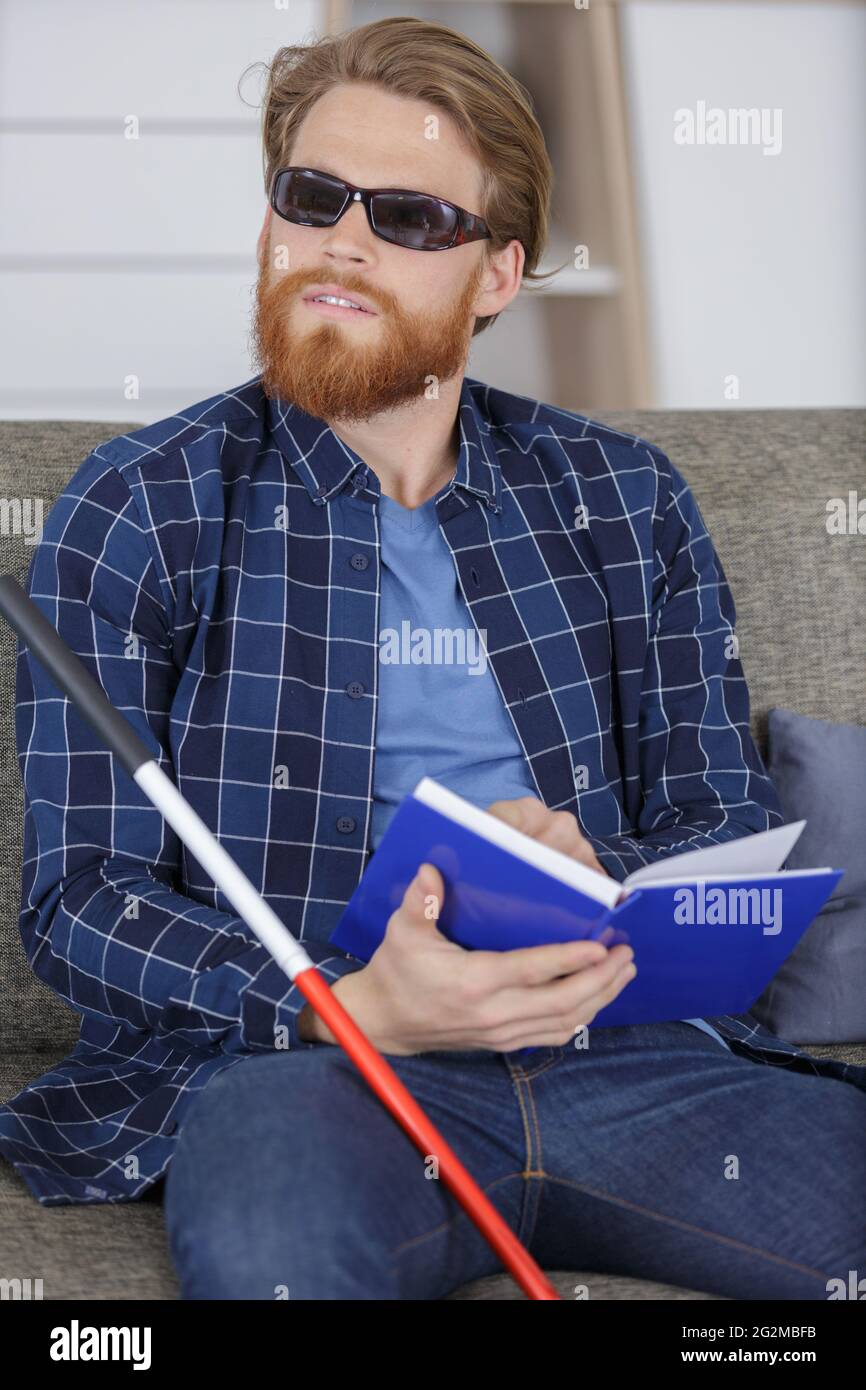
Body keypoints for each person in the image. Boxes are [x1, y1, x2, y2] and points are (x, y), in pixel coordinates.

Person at [0, 17, 863, 1301]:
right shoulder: (139, 506)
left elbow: (718, 819)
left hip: (625, 1053)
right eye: (311, 197)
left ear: (498, 274)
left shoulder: (626, 501)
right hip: (304, 1071)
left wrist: (582, 866)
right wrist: (335, 1002)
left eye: (406, 218)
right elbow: (76, 900)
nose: (341, 241)